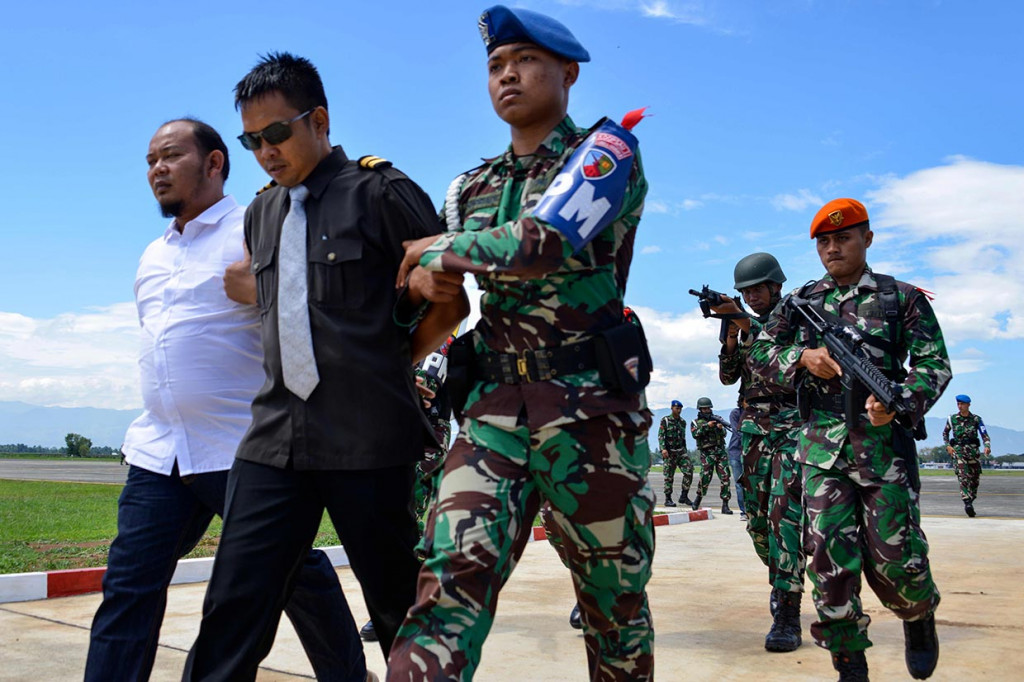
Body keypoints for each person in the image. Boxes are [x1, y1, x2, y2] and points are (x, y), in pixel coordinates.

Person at [386, 6, 655, 680]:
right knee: (447, 584)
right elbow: (446, 295)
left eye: (524, 61)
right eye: (495, 66)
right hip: (492, 409)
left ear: (567, 72)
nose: (507, 75)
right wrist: (420, 292)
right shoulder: (470, 187)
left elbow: (546, 242)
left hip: (589, 413)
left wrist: (440, 249)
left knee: (612, 609)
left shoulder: (607, 151)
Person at [181, 54, 468, 681]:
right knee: (234, 605)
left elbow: (450, 307)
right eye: (251, 140)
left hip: (367, 435)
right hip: (274, 437)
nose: (265, 151)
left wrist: (390, 363)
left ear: (319, 119)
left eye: (276, 133)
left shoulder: (384, 193)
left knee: (398, 606)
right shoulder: (262, 212)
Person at [85, 119, 365, 682]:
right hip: (160, 449)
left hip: (241, 447)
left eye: (170, 156)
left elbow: (311, 309)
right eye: (149, 160)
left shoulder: (256, 225)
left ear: (214, 163)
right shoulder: (152, 255)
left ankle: (349, 676)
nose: (156, 170)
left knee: (295, 575)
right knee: (128, 586)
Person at [751, 198, 951, 681]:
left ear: (868, 239)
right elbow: (760, 351)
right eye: (824, 241)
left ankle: (918, 615)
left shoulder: (900, 298)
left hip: (884, 453)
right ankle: (849, 662)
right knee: (829, 567)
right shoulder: (800, 303)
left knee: (896, 560)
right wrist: (802, 358)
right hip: (820, 450)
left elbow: (933, 365)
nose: (833, 248)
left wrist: (900, 401)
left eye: (843, 238)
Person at [714, 252, 805, 652]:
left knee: (785, 519)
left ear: (775, 285)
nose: (752, 296)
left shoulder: (797, 315)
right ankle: (780, 580)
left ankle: (788, 611)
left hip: (791, 430)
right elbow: (728, 376)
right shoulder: (743, 323)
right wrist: (731, 332)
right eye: (745, 292)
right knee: (757, 523)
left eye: (757, 289)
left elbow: (784, 358)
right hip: (752, 433)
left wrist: (746, 322)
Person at [942, 394, 991, 517]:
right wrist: (948, 446)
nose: (960, 406)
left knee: (974, 479)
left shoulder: (976, 419)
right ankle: (967, 501)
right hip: (959, 452)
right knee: (963, 476)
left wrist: (987, 446)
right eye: (958, 404)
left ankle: (971, 499)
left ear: (968, 405)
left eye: (962, 404)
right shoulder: (952, 419)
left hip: (973, 453)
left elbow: (984, 434)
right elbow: (945, 433)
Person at [689, 397, 733, 514]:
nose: (707, 410)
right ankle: (698, 500)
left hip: (720, 452)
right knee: (705, 478)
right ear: (700, 409)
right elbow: (695, 434)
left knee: (725, 477)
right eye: (704, 409)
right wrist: (707, 426)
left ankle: (725, 504)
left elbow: (724, 433)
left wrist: (719, 428)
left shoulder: (717, 419)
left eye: (708, 408)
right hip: (707, 453)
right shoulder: (695, 422)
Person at [658, 399, 693, 507]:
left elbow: (683, 438)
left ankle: (684, 496)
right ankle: (668, 499)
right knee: (669, 476)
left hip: (681, 452)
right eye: (677, 408)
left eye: (680, 409)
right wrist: (663, 449)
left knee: (689, 471)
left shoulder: (682, 422)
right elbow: (661, 435)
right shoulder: (666, 420)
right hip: (669, 452)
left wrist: (685, 450)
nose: (678, 410)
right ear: (672, 408)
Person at [726, 404, 747, 520]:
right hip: (736, 452)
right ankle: (743, 511)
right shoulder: (736, 413)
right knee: (739, 483)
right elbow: (737, 431)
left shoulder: (755, 412)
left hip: (750, 452)